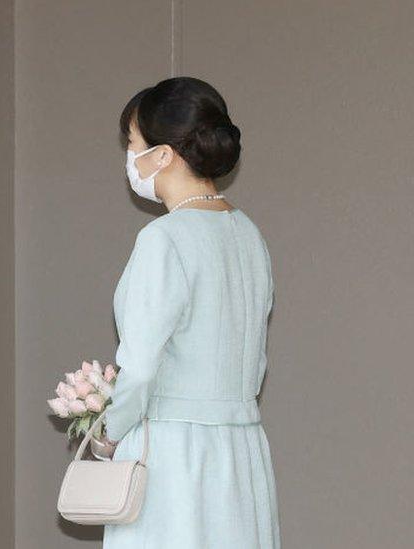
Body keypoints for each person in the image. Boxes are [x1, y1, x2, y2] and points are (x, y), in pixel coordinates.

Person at [100, 77, 280, 548]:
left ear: (163, 155)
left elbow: (138, 367)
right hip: (241, 452)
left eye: (133, 144)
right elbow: (255, 363)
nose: (129, 157)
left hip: (174, 456)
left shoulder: (164, 239)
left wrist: (109, 434)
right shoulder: (248, 234)